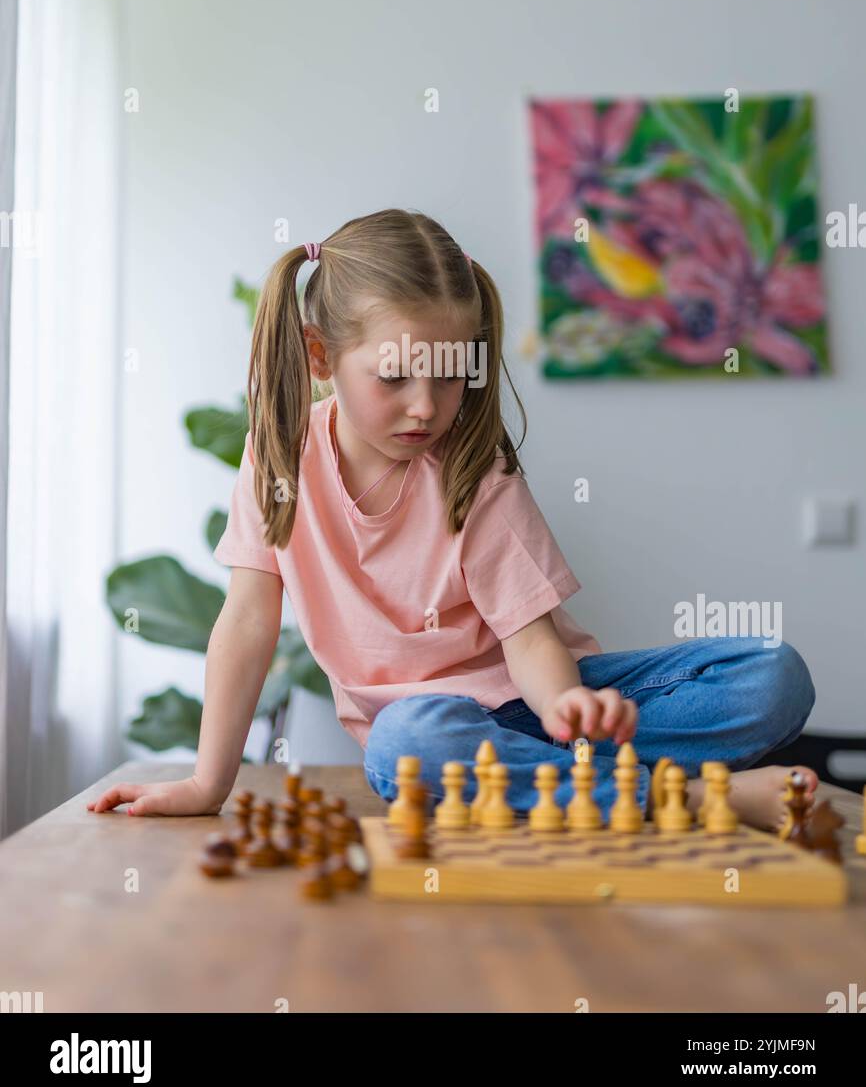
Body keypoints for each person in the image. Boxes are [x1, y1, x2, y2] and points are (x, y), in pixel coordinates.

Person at [88, 208, 817, 829]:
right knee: (407, 744)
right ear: (321, 356)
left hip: (540, 706)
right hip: (430, 730)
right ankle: (682, 800)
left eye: (448, 375)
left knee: (771, 675)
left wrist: (569, 710)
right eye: (396, 376)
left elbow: (530, 642)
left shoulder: (475, 468)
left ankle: (559, 780)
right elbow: (248, 621)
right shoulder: (278, 456)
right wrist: (206, 784)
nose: (426, 406)